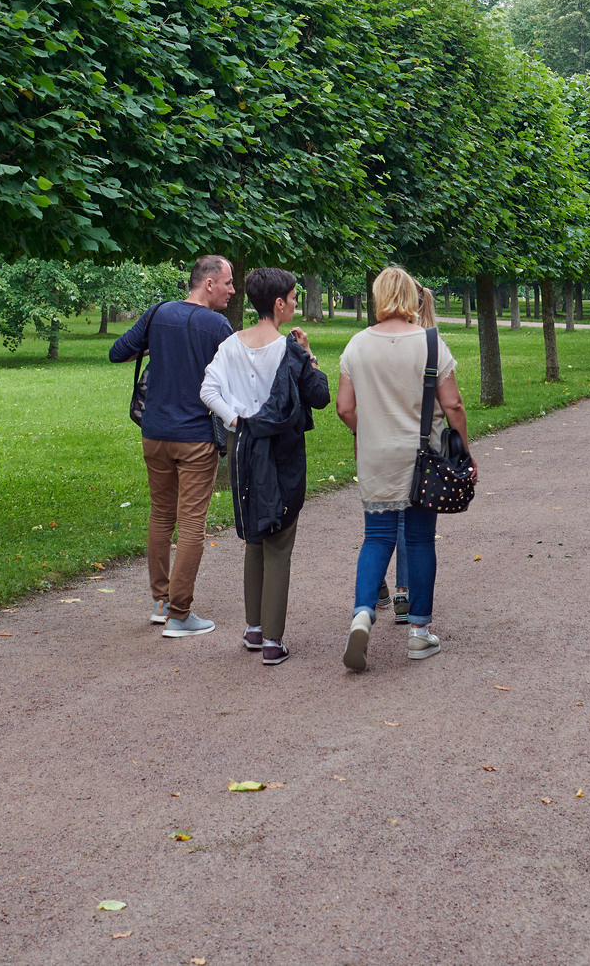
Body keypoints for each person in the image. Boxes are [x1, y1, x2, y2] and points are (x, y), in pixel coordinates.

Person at [336, 264, 479, 671]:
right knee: (419, 540)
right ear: (413, 298)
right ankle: (418, 632)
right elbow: (452, 405)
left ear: (379, 296)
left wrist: (372, 431)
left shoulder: (356, 345)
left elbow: (344, 407)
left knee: (376, 536)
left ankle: (363, 613)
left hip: (376, 455)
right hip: (422, 458)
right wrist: (464, 451)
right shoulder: (431, 344)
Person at [202, 268, 330, 665]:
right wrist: (308, 355)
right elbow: (320, 396)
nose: (295, 303)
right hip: (281, 450)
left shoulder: (230, 345)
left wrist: (235, 420)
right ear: (278, 304)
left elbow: (208, 389)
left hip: (244, 444)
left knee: (255, 536)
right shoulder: (289, 350)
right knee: (280, 541)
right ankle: (273, 640)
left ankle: (254, 628)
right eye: (293, 298)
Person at [109, 256, 236, 636]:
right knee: (192, 524)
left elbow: (120, 351)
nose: (232, 290)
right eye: (228, 283)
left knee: (161, 515)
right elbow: (234, 376)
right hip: (195, 437)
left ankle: (160, 602)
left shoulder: (157, 313)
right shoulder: (217, 325)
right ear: (209, 283)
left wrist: (159, 347)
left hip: (154, 432)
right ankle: (180, 615)